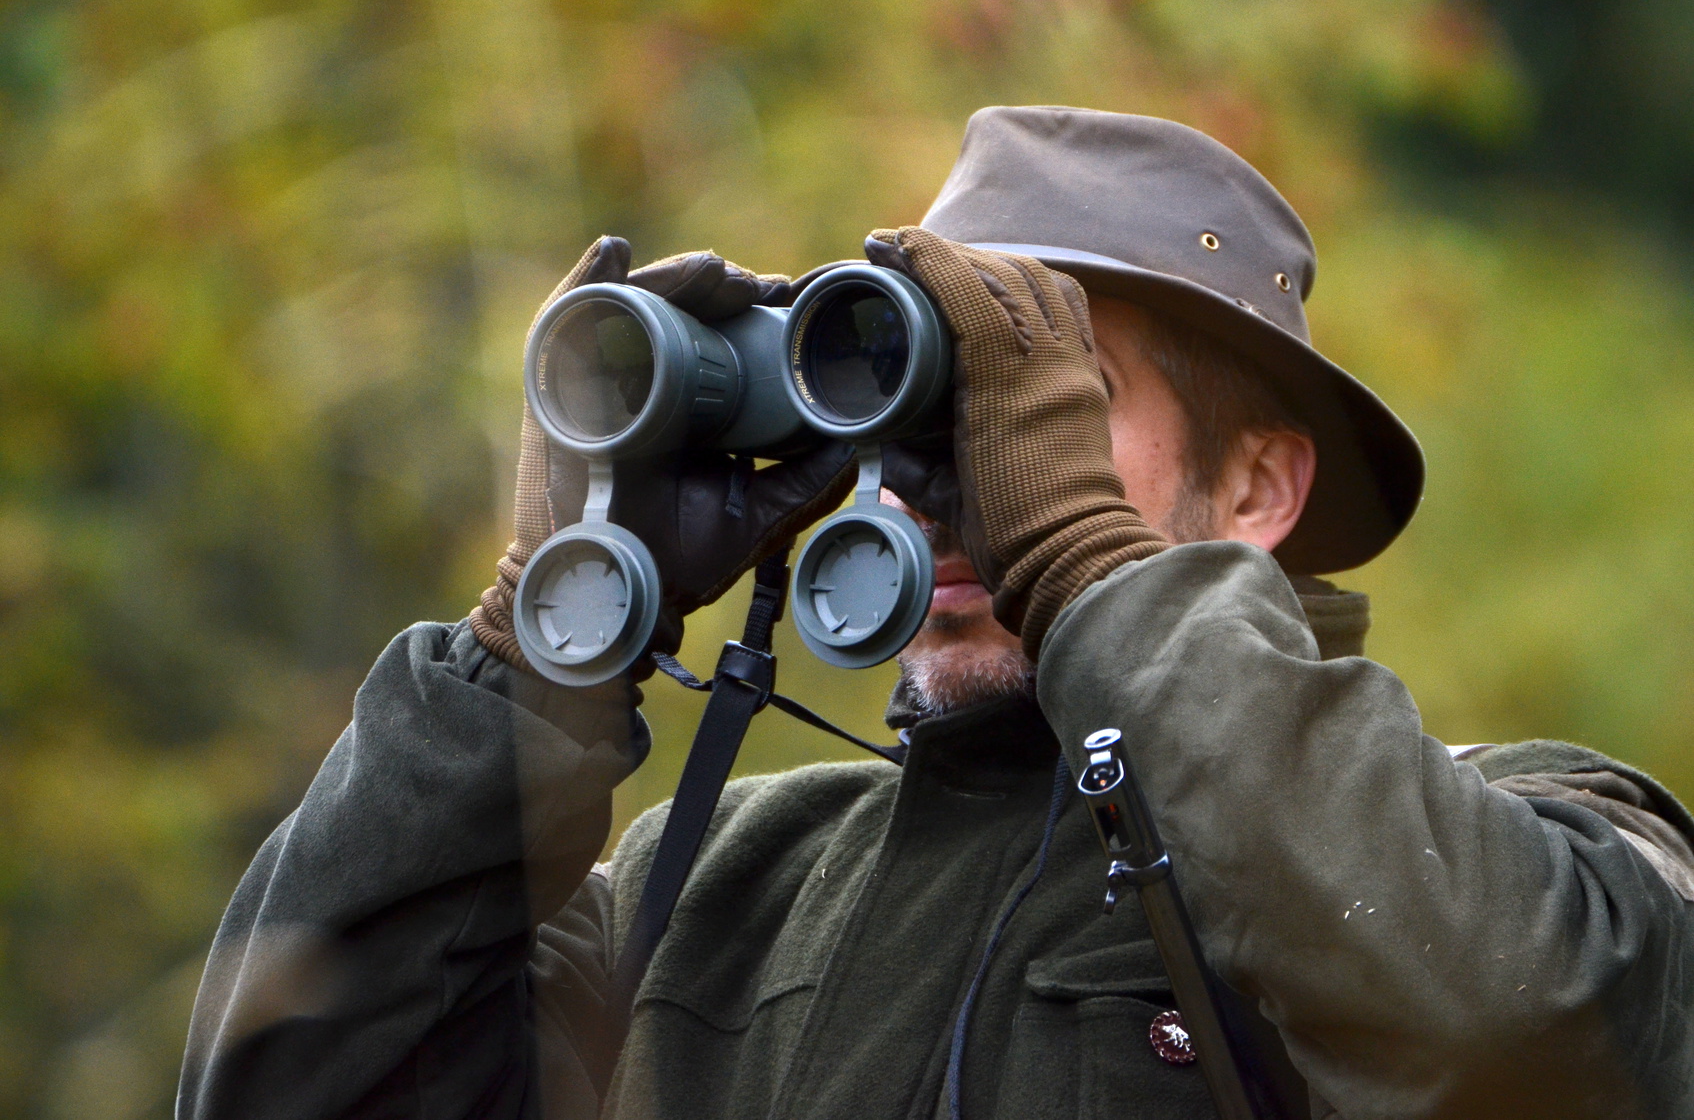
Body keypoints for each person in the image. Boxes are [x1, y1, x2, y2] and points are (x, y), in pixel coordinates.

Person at [176, 107, 1694, 1119]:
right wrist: (536, 638)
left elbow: (1519, 1033)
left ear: (1256, 488)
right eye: (929, 404)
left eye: (1046, 401)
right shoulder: (711, 891)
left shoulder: (1531, 834)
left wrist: (1088, 562)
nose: (955, 479)